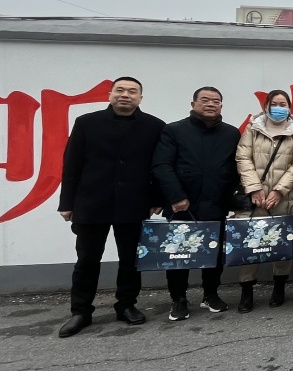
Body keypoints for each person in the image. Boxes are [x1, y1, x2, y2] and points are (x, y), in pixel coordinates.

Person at [56, 77, 166, 338]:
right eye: (120, 90)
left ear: (140, 98)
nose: (125, 95)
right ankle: (80, 311)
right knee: (87, 260)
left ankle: (126, 305)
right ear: (110, 94)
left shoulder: (154, 126)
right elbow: (72, 164)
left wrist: (156, 198)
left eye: (132, 91)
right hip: (92, 202)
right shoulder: (87, 123)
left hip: (134, 202)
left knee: (131, 259)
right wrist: (67, 202)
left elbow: (159, 166)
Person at [153, 86, 241, 322]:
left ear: (221, 106)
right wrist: (176, 197)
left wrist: (234, 199)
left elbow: (236, 169)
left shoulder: (231, 134)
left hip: (216, 204)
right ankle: (179, 299)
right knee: (178, 255)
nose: (211, 104)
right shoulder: (174, 130)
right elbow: (162, 166)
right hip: (182, 206)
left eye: (216, 101)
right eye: (205, 100)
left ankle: (210, 294)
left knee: (213, 254)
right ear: (193, 104)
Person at [234, 90, 293, 313]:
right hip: (255, 199)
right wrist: (254, 188)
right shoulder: (253, 128)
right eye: (274, 103)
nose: (279, 108)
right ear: (266, 106)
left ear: (289, 107)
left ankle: (279, 287)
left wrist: (279, 190)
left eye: (283, 104)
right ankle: (246, 290)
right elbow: (243, 158)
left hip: (285, 197)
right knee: (251, 244)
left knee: (281, 244)